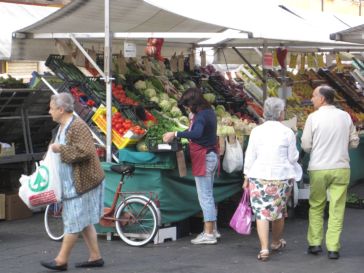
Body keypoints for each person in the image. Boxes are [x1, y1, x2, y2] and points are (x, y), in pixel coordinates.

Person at [41, 93, 105, 271]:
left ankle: (61, 259)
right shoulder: (63, 126)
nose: (49, 112)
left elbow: (85, 151)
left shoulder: (77, 126)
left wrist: (60, 148)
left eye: (51, 108)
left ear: (61, 110)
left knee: (73, 220)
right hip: (72, 183)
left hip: (82, 182)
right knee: (83, 221)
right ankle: (95, 256)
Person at [301, 85, 359, 260]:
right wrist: (341, 147)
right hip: (341, 167)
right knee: (337, 208)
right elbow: (355, 142)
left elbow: (305, 145)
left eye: (314, 96)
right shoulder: (345, 116)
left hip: (318, 167)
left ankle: (315, 244)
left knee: (317, 205)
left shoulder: (313, 118)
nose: (311, 99)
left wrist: (317, 150)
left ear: (322, 99)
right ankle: (333, 247)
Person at [243, 97, 302, 261]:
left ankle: (264, 249)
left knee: (261, 213)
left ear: (265, 112)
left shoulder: (256, 131)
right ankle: (275, 242)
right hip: (281, 177)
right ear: (281, 114)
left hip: (258, 176)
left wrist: (246, 175)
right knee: (278, 212)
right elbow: (293, 157)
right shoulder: (287, 132)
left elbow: (250, 156)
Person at [163, 88, 219, 245]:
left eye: (188, 106)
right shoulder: (209, 112)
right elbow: (194, 130)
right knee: (209, 195)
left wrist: (175, 134)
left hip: (204, 157)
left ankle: (209, 234)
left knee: (205, 196)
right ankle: (212, 230)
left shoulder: (201, 116)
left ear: (193, 104)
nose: (187, 109)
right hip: (211, 156)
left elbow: (196, 134)